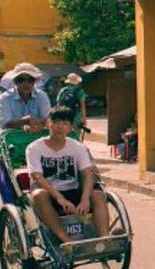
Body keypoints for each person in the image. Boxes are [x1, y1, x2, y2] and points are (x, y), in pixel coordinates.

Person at [26, 107, 108, 259]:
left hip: (72, 190)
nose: (59, 127)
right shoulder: (34, 148)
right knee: (38, 194)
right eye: (55, 122)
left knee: (97, 193)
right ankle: (67, 242)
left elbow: (88, 174)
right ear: (47, 124)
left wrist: (84, 201)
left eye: (64, 123)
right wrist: (59, 198)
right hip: (49, 193)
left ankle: (104, 240)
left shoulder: (77, 147)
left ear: (70, 127)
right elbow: (37, 177)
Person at [0, 63, 50, 131]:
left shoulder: (42, 96)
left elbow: (48, 119)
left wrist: (35, 124)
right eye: (21, 80)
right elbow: (5, 123)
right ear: (15, 81)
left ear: (35, 81)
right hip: (11, 137)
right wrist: (25, 121)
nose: (26, 83)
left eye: (30, 80)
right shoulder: (5, 98)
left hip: (36, 135)